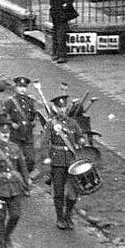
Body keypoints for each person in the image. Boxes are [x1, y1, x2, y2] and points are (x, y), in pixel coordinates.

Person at [0, 120, 30, 248]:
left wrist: (27, 182)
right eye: (2, 133)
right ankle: (1, 245)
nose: (5, 135)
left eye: (7, 133)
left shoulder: (15, 148)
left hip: (14, 189)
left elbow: (23, 168)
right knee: (0, 217)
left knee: (15, 215)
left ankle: (6, 235)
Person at [42, 95, 86, 230]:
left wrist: (82, 141)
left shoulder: (72, 122)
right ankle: (60, 218)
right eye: (59, 107)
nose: (62, 110)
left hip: (71, 162)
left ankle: (68, 216)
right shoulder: (51, 124)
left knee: (73, 192)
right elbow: (44, 142)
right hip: (57, 162)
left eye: (64, 107)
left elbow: (80, 136)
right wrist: (47, 158)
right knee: (59, 191)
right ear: (55, 108)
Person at [3, 77, 39, 173]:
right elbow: (3, 116)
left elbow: (34, 115)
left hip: (28, 134)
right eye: (20, 87)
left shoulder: (30, 101)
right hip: (16, 134)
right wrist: (11, 124)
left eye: (24, 87)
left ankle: (26, 177)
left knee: (30, 160)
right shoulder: (10, 101)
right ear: (15, 87)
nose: (22, 89)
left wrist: (33, 122)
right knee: (15, 158)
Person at [48, 0, 78, 64]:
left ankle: (62, 56)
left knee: (61, 36)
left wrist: (66, 4)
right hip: (55, 14)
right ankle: (56, 54)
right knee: (55, 35)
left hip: (62, 15)